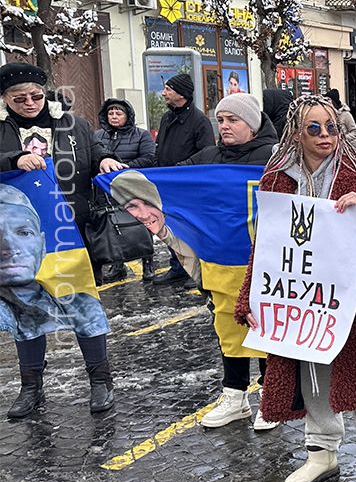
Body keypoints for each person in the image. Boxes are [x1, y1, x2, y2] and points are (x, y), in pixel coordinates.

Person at [236, 94, 356, 482]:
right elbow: (266, 244)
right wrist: (250, 296)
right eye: (315, 128)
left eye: (332, 127)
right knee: (311, 372)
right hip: (302, 298)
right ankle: (321, 453)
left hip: (355, 295)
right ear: (297, 132)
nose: (326, 135)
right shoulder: (277, 177)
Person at [176, 94, 280, 430]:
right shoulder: (209, 157)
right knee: (228, 328)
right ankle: (235, 397)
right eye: (220, 120)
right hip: (219, 263)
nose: (224, 126)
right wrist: (117, 170)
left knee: (266, 327)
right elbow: (171, 181)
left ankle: (271, 398)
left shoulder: (276, 157)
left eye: (233, 120)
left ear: (252, 124)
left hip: (266, 262)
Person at [0, 184, 115, 417]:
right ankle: (31, 386)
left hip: (67, 215)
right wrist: (13, 163)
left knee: (81, 301)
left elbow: (89, 160)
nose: (10, 247)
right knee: (21, 309)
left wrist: (102, 163)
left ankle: (101, 380)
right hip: (25, 187)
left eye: (23, 233)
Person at [0, 62, 126, 256]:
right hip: (16, 224)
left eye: (36, 96)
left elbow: (94, 151)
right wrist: (14, 160)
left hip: (73, 218)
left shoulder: (75, 124)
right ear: (4, 98)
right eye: (20, 99)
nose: (30, 103)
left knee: (79, 272)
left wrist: (104, 160)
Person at [155, 73, 215, 286]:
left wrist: (185, 173)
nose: (164, 93)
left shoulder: (200, 121)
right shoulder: (167, 118)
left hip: (189, 186)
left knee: (192, 230)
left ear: (181, 94)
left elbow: (206, 154)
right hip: (167, 184)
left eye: (168, 89)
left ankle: (198, 270)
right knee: (172, 228)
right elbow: (160, 148)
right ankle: (178, 267)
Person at [94, 98, 157, 283]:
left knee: (142, 225)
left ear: (127, 116)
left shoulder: (141, 135)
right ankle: (118, 265)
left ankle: (148, 264)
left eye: (118, 113)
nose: (114, 116)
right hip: (107, 191)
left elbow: (149, 157)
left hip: (134, 188)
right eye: (110, 113)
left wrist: (123, 169)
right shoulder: (98, 136)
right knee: (114, 225)